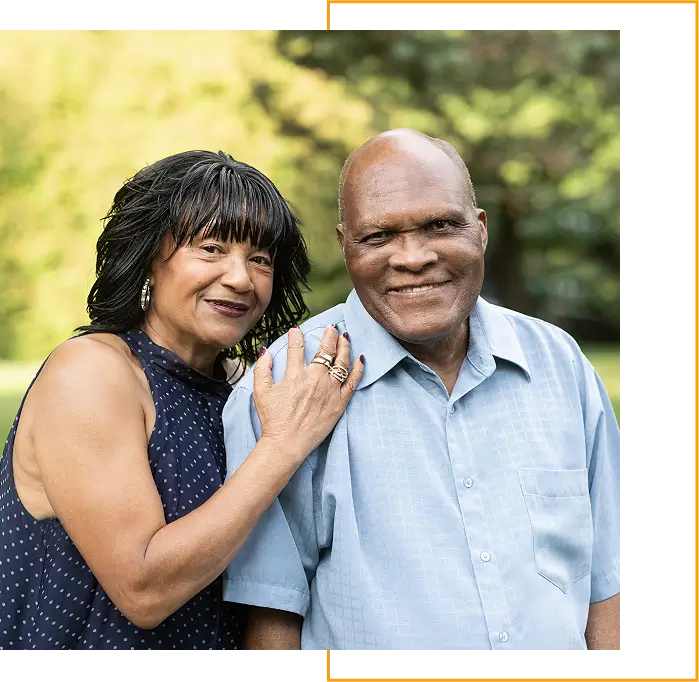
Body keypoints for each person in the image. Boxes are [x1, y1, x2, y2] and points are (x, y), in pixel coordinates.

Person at [221, 129, 621, 651]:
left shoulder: (559, 363)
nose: (412, 257)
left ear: (480, 230)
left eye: (439, 225)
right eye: (379, 237)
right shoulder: (283, 386)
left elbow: (607, 582)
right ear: (344, 246)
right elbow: (271, 619)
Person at [0, 149, 364, 652]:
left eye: (260, 259)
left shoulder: (247, 388)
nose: (241, 278)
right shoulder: (92, 373)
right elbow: (143, 588)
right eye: (211, 249)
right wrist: (283, 446)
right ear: (150, 258)